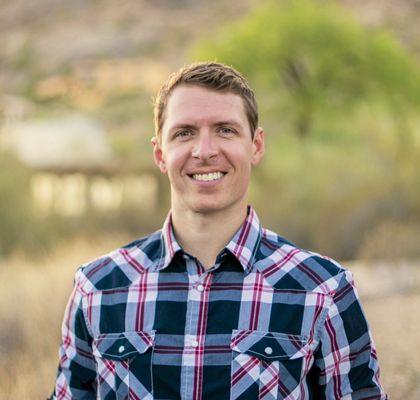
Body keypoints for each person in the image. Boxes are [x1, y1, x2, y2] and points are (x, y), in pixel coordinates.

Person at [50, 62, 387, 399]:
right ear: (160, 153)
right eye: (184, 133)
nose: (205, 151)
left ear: (256, 146)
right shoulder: (97, 289)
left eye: (225, 130)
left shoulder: (323, 290)